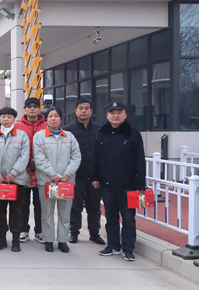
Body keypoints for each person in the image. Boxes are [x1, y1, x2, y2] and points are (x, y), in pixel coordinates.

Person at [92, 102, 146, 261]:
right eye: (112, 113)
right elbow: (95, 158)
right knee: (111, 218)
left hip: (128, 186)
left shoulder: (133, 135)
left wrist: (140, 185)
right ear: (107, 115)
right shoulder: (100, 134)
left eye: (119, 112)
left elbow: (140, 161)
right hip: (107, 185)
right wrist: (94, 177)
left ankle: (128, 248)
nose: (115, 116)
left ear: (125, 115)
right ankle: (113, 245)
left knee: (128, 219)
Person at [33, 107, 81, 253]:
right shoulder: (39, 137)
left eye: (56, 116)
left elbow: (76, 157)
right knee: (47, 212)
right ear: (46, 119)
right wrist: (52, 174)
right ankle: (48, 239)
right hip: (47, 181)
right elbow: (39, 158)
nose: (53, 119)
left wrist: (67, 174)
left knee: (64, 213)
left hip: (66, 182)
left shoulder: (69, 137)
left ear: (61, 119)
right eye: (50, 116)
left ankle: (62, 240)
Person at [0, 107, 30, 252]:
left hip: (16, 181)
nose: (6, 119)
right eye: (3, 116)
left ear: (14, 119)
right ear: (0, 118)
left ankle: (15, 240)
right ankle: (2, 239)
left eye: (9, 117)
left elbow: (24, 156)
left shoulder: (22, 136)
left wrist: (14, 173)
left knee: (17, 211)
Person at [63, 98, 105, 245]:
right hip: (76, 175)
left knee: (94, 206)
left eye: (86, 108)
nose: (83, 111)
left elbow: (103, 152)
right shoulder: (68, 130)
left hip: (94, 176)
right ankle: (74, 232)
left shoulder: (99, 129)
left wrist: (99, 174)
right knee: (75, 206)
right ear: (76, 111)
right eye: (80, 108)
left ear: (91, 111)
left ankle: (94, 233)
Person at [15, 97, 47, 243]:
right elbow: (16, 146)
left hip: (42, 170)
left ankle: (40, 230)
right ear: (25, 109)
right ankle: (23, 230)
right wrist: (28, 160)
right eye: (29, 106)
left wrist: (38, 162)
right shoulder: (17, 126)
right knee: (23, 202)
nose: (32, 109)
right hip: (24, 169)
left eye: (35, 106)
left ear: (39, 109)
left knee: (40, 202)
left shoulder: (46, 125)